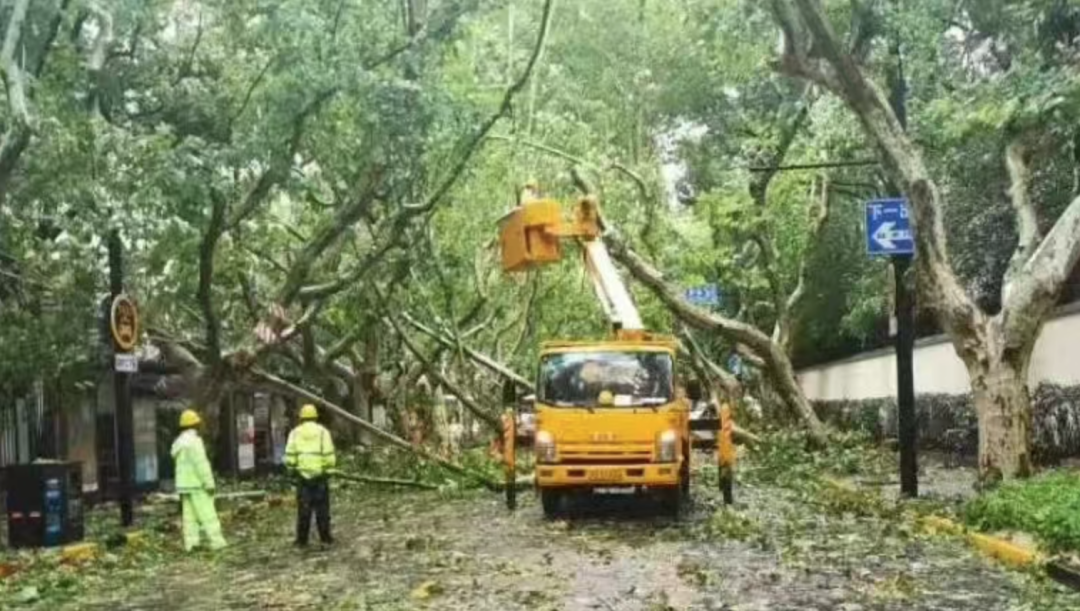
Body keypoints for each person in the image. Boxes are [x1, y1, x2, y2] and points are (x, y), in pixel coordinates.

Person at [171, 409, 227, 552]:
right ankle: (217, 542)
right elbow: (202, 465)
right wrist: (209, 483)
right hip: (197, 484)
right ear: (195, 425)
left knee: (189, 517)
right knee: (208, 514)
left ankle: (191, 544)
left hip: (184, 485)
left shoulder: (178, 443)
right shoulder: (195, 442)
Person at [284, 404, 336, 547]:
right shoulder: (323, 432)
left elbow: (290, 455)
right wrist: (328, 471)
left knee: (303, 510)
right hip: (320, 477)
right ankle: (325, 538)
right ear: (316, 417)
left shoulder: (294, 433)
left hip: (303, 477)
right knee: (322, 510)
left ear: (301, 417)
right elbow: (329, 454)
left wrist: (292, 469)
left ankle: (302, 540)